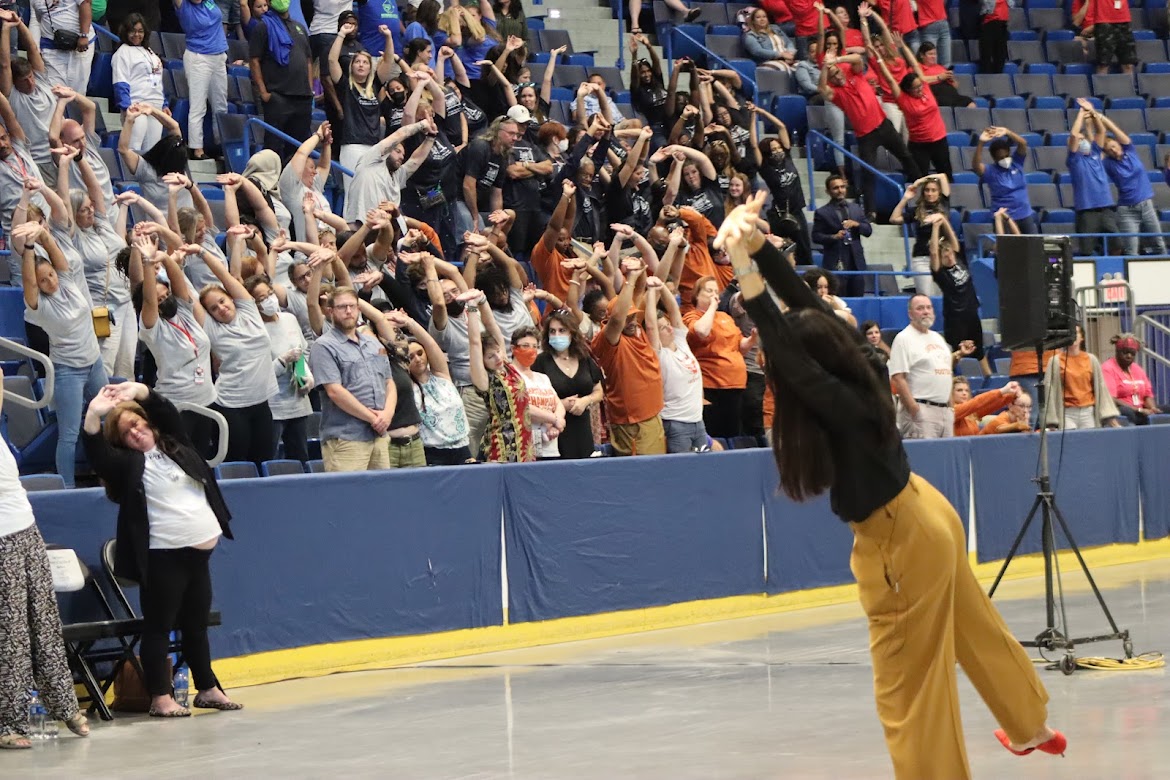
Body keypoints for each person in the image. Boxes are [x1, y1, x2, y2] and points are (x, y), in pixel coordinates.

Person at [714, 191, 1064, 780]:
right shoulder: (861, 365)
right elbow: (805, 307)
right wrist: (756, 244)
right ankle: (1031, 724)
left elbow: (786, 344)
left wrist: (746, 265)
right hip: (928, 512)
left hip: (899, 540)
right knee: (974, 626)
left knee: (907, 686)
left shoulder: (838, 400)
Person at [82, 381, 242, 718]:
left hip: (199, 555)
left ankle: (208, 688)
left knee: (196, 625)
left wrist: (140, 391)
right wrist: (94, 414)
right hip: (163, 557)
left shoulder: (175, 445)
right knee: (158, 627)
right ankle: (160, 696)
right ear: (121, 442)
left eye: (138, 423)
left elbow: (167, 412)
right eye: (127, 432)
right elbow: (97, 453)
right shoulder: (128, 466)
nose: (136, 432)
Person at [0, 386, 90, 748]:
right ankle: (8, 722)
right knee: (11, 634)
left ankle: (64, 706)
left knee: (45, 624)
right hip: (1, 539)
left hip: (26, 529)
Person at [16, 220, 108, 487]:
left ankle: (108, 473)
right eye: (43, 280)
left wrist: (43, 234)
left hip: (94, 363)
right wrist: (29, 247)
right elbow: (28, 282)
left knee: (109, 420)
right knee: (69, 434)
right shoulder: (38, 306)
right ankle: (67, 488)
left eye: (51, 275)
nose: (50, 281)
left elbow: (55, 253)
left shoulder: (66, 281)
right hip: (69, 372)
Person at [198, 226, 280, 465]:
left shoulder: (249, 310)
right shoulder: (212, 328)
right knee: (236, 464)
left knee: (264, 462)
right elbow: (185, 295)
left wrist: (203, 254)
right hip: (231, 405)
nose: (221, 308)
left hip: (261, 403)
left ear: (231, 299)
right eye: (214, 308)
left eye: (222, 301)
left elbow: (228, 277)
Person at [133, 237, 220, 456]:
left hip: (206, 401)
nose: (165, 299)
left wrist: (163, 257)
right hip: (177, 405)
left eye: (167, 294)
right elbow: (149, 300)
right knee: (180, 458)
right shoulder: (152, 328)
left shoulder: (183, 312)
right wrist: (147, 263)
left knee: (201, 459)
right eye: (160, 299)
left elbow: (178, 279)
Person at [818, 53, 919, 218]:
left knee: (906, 156)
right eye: (833, 76)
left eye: (837, 72)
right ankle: (871, 211)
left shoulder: (855, 74)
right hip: (865, 136)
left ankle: (921, 189)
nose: (837, 77)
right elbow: (822, 89)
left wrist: (835, 60)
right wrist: (825, 67)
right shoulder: (836, 93)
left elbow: (858, 58)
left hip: (883, 125)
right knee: (868, 172)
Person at [308, 285, 397, 471]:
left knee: (382, 489)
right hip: (346, 437)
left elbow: (389, 382)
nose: (348, 311)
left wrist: (387, 414)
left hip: (379, 435)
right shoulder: (323, 346)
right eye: (342, 307)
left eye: (352, 306)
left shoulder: (374, 343)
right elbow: (334, 391)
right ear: (330, 311)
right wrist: (374, 418)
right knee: (348, 490)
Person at [591, 260, 666, 456]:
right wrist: (630, 279)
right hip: (633, 425)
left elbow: (642, 290)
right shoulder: (608, 340)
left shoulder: (636, 329)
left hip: (653, 417)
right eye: (627, 317)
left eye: (633, 316)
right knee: (641, 472)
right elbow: (617, 319)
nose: (632, 321)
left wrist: (641, 271)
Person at [466, 289, 537, 463]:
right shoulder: (484, 379)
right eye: (490, 356)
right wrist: (472, 306)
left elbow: (492, 326)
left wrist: (482, 300)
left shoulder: (505, 365)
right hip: (501, 447)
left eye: (498, 351)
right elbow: (474, 342)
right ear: (482, 361)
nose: (498, 357)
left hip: (525, 443)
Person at [246, 276, 312, 461]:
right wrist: (282, 361)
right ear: (254, 304)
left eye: (270, 293)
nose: (270, 299)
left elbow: (301, 351)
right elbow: (258, 373)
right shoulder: (254, 330)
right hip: (272, 406)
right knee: (269, 457)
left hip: (298, 402)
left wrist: (305, 376)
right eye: (262, 298)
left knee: (301, 457)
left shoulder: (289, 319)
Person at [644, 272, 709, 452]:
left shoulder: (681, 343)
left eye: (668, 325)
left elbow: (674, 311)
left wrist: (662, 286)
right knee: (682, 467)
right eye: (663, 328)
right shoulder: (659, 353)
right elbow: (650, 325)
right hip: (676, 423)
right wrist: (651, 292)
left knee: (704, 465)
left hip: (698, 421)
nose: (670, 329)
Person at [683, 275, 752, 439]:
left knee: (733, 434)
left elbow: (740, 346)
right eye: (709, 291)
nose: (714, 295)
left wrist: (753, 338)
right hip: (711, 385)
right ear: (697, 295)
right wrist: (713, 307)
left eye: (716, 291)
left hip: (735, 384)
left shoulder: (725, 317)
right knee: (714, 434)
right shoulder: (692, 316)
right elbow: (701, 332)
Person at [532, 308, 604, 460]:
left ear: (572, 333)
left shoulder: (584, 358)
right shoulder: (540, 362)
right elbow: (531, 400)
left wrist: (586, 400)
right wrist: (559, 406)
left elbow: (599, 392)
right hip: (553, 431)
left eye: (562, 330)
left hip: (582, 429)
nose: (556, 335)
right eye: (552, 331)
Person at [404, 309, 473, 465]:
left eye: (420, 353)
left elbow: (430, 343)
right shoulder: (408, 388)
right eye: (410, 357)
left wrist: (410, 323)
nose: (417, 359)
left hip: (462, 447)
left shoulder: (442, 375)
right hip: (432, 453)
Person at [249, 0, 314, 160]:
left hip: (302, 98)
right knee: (273, 149)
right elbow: (254, 60)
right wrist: (264, 93)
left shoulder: (300, 27)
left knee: (299, 151)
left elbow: (308, 60)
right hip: (278, 97)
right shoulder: (263, 26)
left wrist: (310, 89)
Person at [1098, 108, 1167, 257]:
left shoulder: (1130, 150)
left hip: (1146, 205)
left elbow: (1116, 130)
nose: (1114, 150)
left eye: (1114, 146)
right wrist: (1095, 125)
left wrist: (1102, 118)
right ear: (1106, 153)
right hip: (1127, 211)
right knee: (1131, 251)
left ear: (1119, 144)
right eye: (1109, 150)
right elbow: (1096, 150)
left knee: (1159, 244)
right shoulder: (1108, 164)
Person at [926, 213, 988, 376]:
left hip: (972, 314)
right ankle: (952, 380)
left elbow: (953, 238)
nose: (949, 256)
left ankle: (989, 379)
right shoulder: (941, 274)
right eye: (945, 255)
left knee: (979, 351)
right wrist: (936, 227)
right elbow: (933, 253)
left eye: (949, 252)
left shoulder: (960, 261)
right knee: (958, 353)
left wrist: (943, 220)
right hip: (956, 319)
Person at [889, 294, 955, 439]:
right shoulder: (903, 338)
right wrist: (914, 408)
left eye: (929, 307)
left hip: (945, 410)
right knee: (925, 453)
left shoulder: (938, 338)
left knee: (947, 453)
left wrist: (951, 407)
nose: (926, 311)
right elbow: (898, 378)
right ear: (910, 314)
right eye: (920, 308)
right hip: (922, 410)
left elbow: (947, 372)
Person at [174, 0, 229, 161]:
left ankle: (221, 146)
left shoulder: (209, 2)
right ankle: (196, 148)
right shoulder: (183, 6)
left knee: (221, 106)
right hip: (198, 57)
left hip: (219, 56)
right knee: (198, 106)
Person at [1044, 325, 1121, 430]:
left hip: (1088, 412)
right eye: (1070, 333)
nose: (1073, 336)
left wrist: (1110, 417)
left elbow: (1101, 388)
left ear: (1082, 337)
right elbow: (1049, 390)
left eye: (1076, 333)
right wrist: (1051, 421)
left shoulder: (1091, 359)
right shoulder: (1055, 361)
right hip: (1066, 413)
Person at [1067, 100, 1117, 256]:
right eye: (1079, 141)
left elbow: (1101, 131)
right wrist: (1081, 113)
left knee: (1117, 244)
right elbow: (1074, 135)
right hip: (1087, 211)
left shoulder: (1095, 152)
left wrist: (1093, 112)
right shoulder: (1074, 160)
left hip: (1106, 208)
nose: (1082, 141)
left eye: (1084, 139)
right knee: (1087, 250)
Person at [112, 13, 167, 152]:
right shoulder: (122, 52)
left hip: (155, 107)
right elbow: (120, 83)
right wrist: (127, 108)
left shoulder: (150, 52)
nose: (136, 35)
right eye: (133, 31)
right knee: (133, 149)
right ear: (126, 32)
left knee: (153, 151)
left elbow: (158, 80)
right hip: (136, 107)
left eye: (140, 31)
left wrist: (164, 104)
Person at [890, 174, 950, 296]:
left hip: (942, 258)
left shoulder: (944, 205)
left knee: (943, 297)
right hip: (922, 259)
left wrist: (919, 181)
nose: (930, 193)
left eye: (933, 190)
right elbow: (894, 219)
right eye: (927, 190)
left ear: (939, 193)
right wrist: (905, 198)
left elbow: (942, 176)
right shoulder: (917, 211)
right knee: (926, 296)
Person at [812, 174, 870, 297]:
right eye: (835, 188)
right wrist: (834, 237)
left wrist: (857, 224)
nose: (840, 190)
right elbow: (816, 236)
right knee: (838, 298)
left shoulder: (856, 208)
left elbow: (868, 230)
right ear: (828, 191)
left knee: (858, 297)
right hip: (835, 262)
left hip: (856, 262)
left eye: (842, 187)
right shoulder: (822, 212)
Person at [973, 126, 1036, 236]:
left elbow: (1023, 144)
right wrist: (981, 143)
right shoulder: (990, 171)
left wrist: (1008, 132)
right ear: (994, 158)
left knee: (1033, 245)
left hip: (1025, 214)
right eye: (1001, 158)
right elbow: (976, 166)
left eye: (1006, 156)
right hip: (1004, 218)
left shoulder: (1017, 163)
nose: (1005, 159)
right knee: (1007, 246)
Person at [30, 0, 95, 95]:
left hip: (79, 46)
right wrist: (36, 48)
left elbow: (85, 3)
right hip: (51, 47)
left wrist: (84, 35)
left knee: (77, 91)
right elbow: (36, 20)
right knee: (54, 90)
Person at [1101, 334, 1160, 425]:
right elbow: (1111, 399)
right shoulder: (1107, 368)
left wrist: (1152, 408)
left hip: (1141, 409)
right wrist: (1138, 410)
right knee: (1128, 412)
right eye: (1125, 352)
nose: (1129, 356)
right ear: (1117, 351)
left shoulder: (1138, 369)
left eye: (1132, 353)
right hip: (1123, 410)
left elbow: (1147, 394)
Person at [952, 376, 1020, 436]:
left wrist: (1012, 395)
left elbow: (991, 405)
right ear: (951, 393)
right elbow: (977, 402)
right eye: (959, 390)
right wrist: (1002, 391)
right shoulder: (951, 411)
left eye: (967, 390)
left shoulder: (971, 413)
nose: (964, 393)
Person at [1091, 0, 1136, 75]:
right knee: (1103, 63)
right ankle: (1101, 82)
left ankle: (1129, 82)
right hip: (1104, 21)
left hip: (1124, 20)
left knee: (1128, 63)